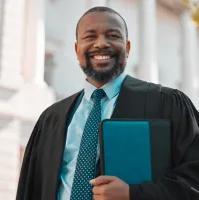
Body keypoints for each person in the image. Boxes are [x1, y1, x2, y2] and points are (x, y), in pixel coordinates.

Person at [16, 6, 199, 200]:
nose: (101, 43)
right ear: (77, 50)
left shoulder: (167, 104)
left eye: (112, 36)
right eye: (90, 36)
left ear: (127, 48)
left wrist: (133, 194)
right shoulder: (51, 120)